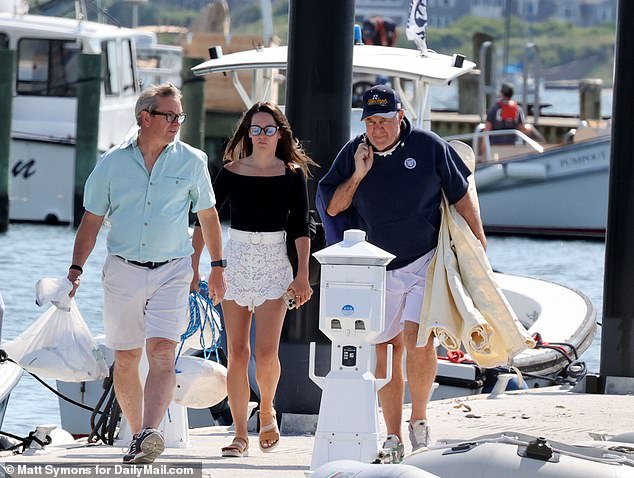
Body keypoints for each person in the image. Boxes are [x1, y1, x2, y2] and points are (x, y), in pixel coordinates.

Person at [317, 85, 486, 461]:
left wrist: (479, 241)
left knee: (418, 338)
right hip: (377, 268)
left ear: (401, 117)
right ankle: (392, 435)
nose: (377, 129)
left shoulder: (428, 145)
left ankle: (419, 420)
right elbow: (332, 207)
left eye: (385, 121)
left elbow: (461, 191)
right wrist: (359, 174)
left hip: (423, 258)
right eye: (371, 122)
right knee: (385, 350)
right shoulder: (355, 151)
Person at [66, 83, 226, 465]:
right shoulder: (111, 164)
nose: (176, 123)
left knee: (162, 352)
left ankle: (151, 433)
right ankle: (139, 435)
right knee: (126, 356)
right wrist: (75, 269)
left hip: (173, 269)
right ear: (145, 118)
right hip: (122, 270)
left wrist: (216, 267)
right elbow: (91, 220)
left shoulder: (193, 161)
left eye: (179, 117)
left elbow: (208, 216)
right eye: (169, 116)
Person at [192, 101, 316, 458]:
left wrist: (303, 274)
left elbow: (300, 227)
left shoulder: (292, 174)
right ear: (248, 133)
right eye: (256, 129)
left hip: (275, 263)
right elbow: (207, 216)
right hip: (238, 260)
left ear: (280, 134)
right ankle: (240, 434)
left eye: (269, 129)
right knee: (237, 353)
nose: (262, 136)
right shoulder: (231, 171)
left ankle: (266, 410)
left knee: (264, 353)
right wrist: (196, 263)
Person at [483, 82, 543, 147]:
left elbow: (487, 129)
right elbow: (523, 128)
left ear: (501, 93)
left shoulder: (494, 109)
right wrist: (530, 128)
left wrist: (483, 146)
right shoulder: (518, 109)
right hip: (511, 146)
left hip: (495, 146)